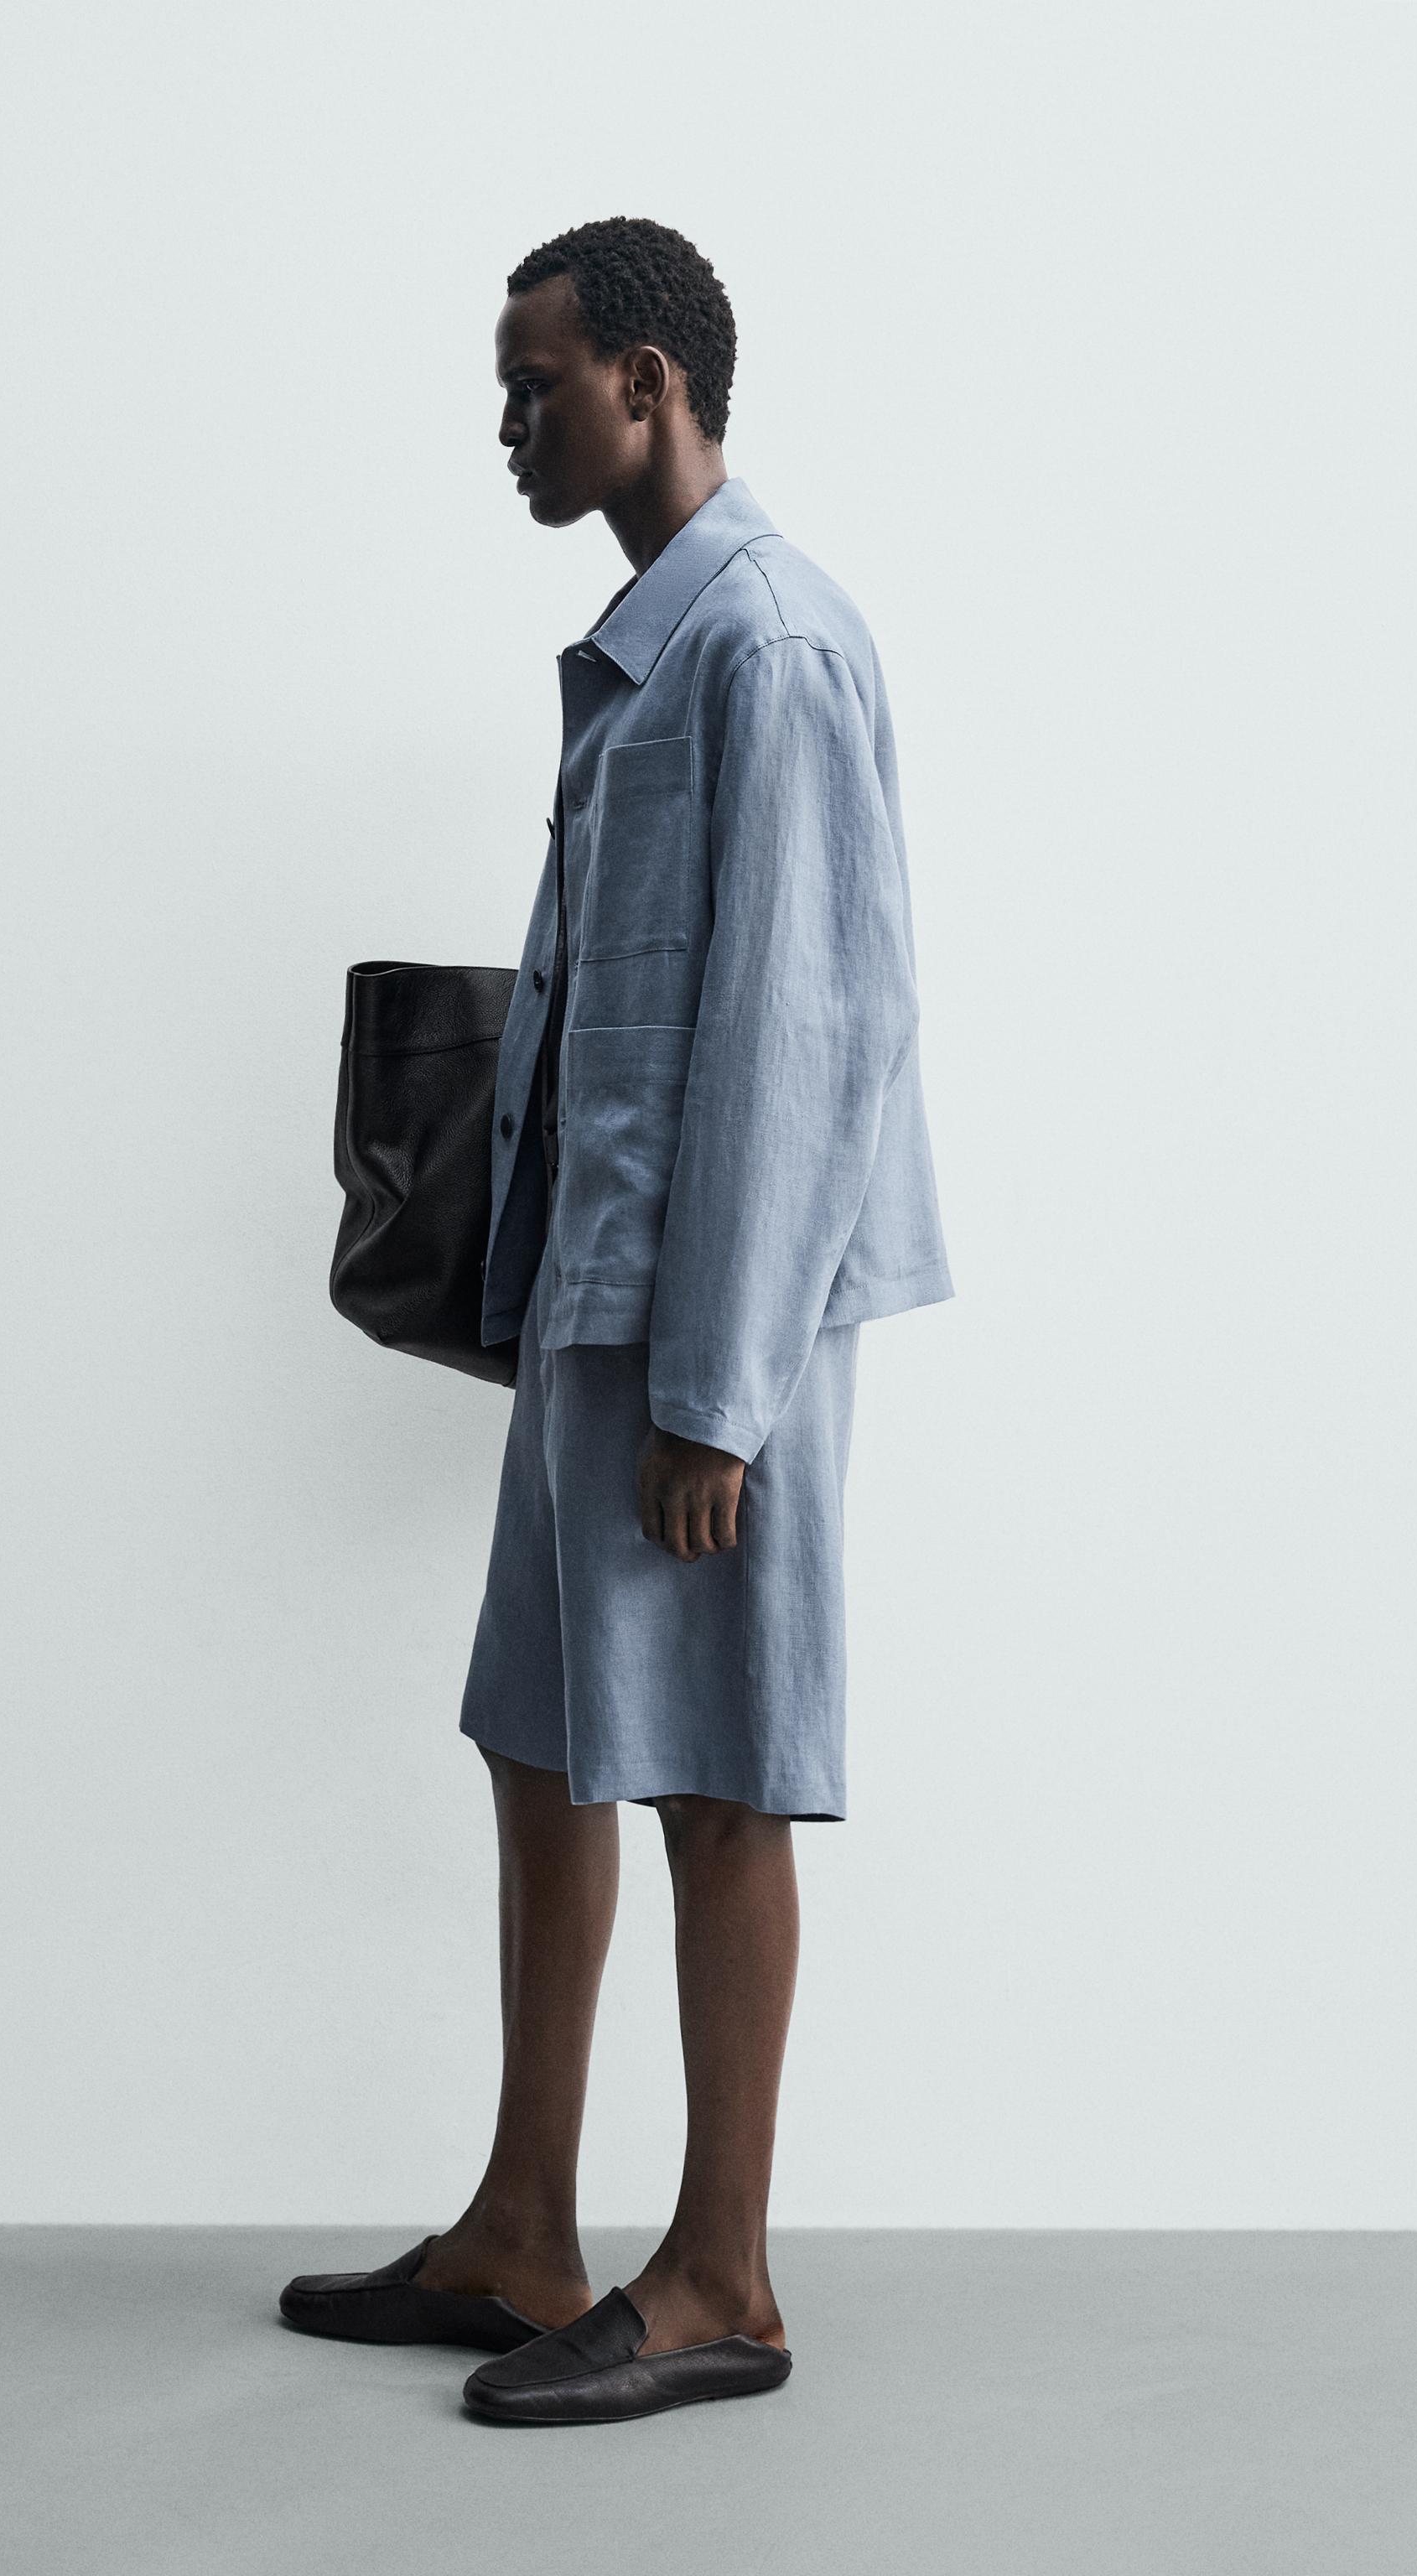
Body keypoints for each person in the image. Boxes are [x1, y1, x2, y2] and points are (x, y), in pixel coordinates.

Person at [281, 217, 952, 2426]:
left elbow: (807, 1035)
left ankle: (725, 2276)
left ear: (647, 382)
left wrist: (722, 1398)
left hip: (703, 1335)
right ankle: (522, 2226)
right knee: (542, 1733)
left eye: (535, 382)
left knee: (720, 1777)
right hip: (595, 1305)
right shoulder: (653, 647)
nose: (510, 424)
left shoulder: (770, 647)